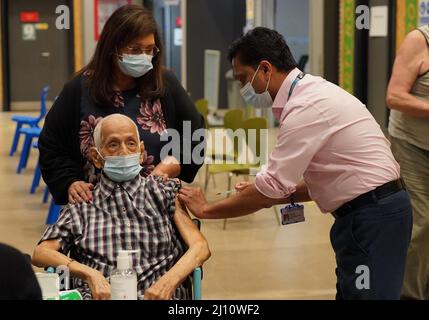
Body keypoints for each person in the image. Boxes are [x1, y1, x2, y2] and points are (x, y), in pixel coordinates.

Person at [179, 27, 413, 300]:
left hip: (372, 215)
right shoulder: (312, 91)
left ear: (265, 69)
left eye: (244, 78)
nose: (245, 89)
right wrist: (267, 191)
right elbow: (317, 181)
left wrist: (207, 209)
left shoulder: (305, 106)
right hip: (372, 211)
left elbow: (271, 190)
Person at [39, 4, 205, 206]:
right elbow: (51, 146)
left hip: (154, 204)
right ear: (112, 48)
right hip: (96, 208)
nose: (143, 56)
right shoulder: (79, 89)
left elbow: (195, 135)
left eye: (149, 49)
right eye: (135, 49)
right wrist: (70, 182)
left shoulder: (165, 85)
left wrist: (171, 165)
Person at [32, 114, 211, 300]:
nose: (124, 151)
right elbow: (41, 253)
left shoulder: (164, 193)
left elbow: (200, 247)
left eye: (131, 143)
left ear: (141, 152)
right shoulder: (82, 206)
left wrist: (168, 282)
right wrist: (89, 274)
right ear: (96, 157)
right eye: (113, 145)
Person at [386, 25, 429, 300]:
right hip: (412, 145)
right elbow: (394, 96)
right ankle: (409, 295)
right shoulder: (419, 40)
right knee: (422, 223)